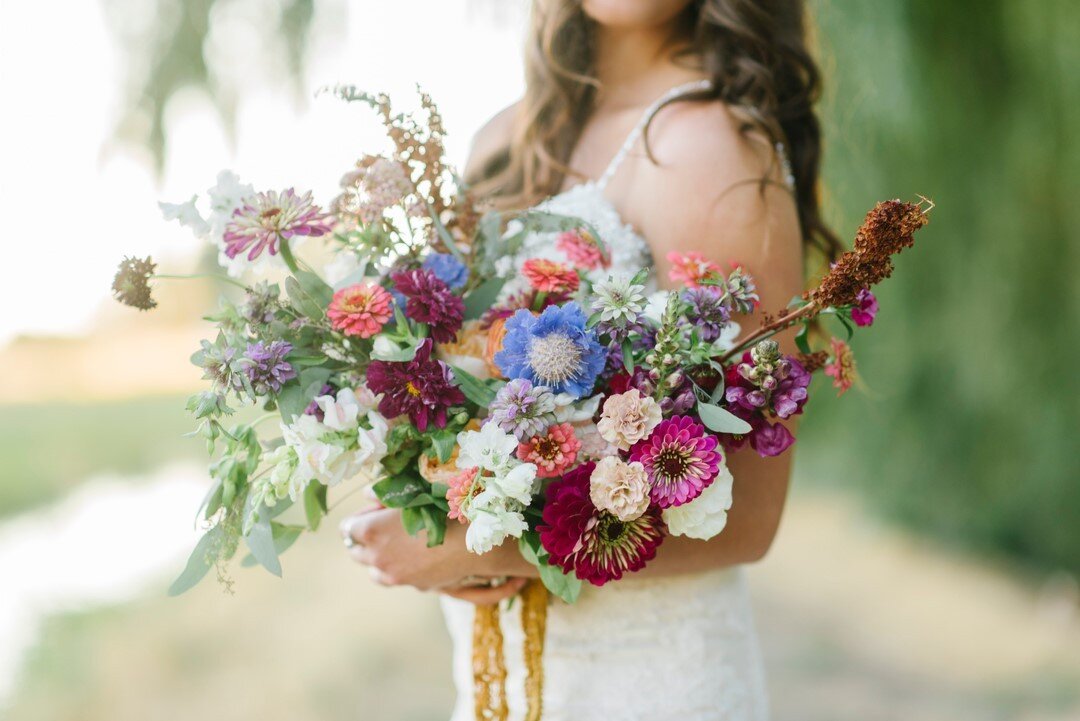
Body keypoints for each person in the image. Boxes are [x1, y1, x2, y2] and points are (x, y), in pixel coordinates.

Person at [342, 1, 840, 717]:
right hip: (497, 680)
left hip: (654, 685)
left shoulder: (718, 149)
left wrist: (478, 548)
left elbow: (751, 516)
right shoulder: (501, 144)